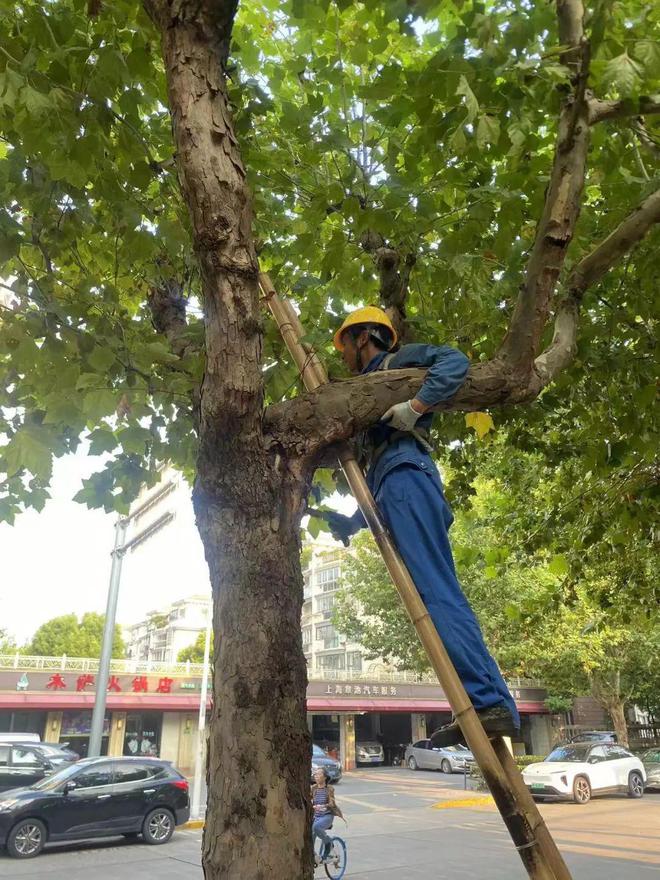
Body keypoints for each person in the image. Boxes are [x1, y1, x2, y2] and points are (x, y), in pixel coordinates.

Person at [325, 307, 520, 747]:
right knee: (434, 597)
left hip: (408, 479)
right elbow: (379, 468)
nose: (343, 358)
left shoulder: (397, 363)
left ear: (364, 338)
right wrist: (354, 521)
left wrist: (416, 406)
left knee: (436, 593)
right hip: (395, 486)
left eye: (345, 346)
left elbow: (454, 361)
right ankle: (484, 704)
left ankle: (488, 702)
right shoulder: (365, 394)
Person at [311, 767, 343, 864]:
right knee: (309, 836)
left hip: (327, 816)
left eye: (318, 774)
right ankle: (315, 857)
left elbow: (332, 803)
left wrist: (324, 806)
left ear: (324, 777)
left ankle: (328, 843)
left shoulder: (329, 789)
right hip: (316, 816)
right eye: (315, 774)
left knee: (316, 827)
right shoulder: (313, 788)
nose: (316, 776)